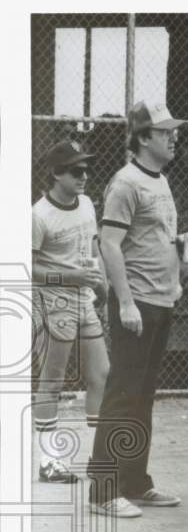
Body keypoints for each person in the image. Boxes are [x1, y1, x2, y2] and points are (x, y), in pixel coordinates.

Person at [87, 101, 188, 518]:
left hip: (162, 298)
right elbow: (108, 244)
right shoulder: (126, 182)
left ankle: (134, 482)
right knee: (122, 394)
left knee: (143, 396)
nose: (173, 137)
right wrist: (126, 301)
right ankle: (103, 490)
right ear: (143, 137)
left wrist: (180, 268)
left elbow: (153, 239)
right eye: (165, 132)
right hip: (137, 303)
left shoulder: (160, 180)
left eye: (173, 131)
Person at [31, 140, 109, 483]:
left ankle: (97, 455)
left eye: (86, 169)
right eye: (76, 171)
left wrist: (102, 284)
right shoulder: (38, 215)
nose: (84, 176)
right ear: (55, 173)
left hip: (83, 297)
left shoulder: (88, 204)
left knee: (101, 374)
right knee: (52, 381)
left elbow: (93, 247)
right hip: (54, 299)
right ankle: (49, 461)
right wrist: (72, 276)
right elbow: (25, 268)